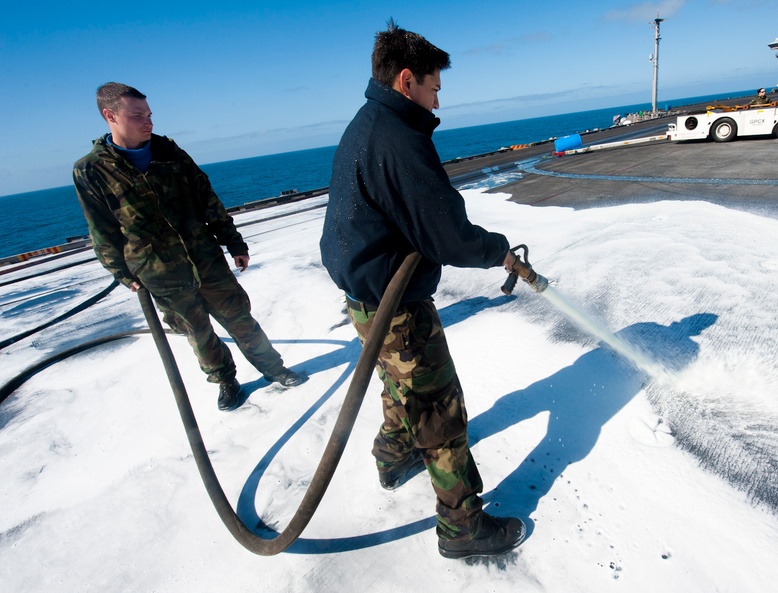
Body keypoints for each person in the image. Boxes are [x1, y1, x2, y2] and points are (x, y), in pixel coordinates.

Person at [318, 22, 526, 559]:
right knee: (438, 409)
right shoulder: (399, 139)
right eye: (435, 89)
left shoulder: (367, 122)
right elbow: (448, 235)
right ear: (407, 80)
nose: (438, 102)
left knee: (398, 379)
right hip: (396, 302)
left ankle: (393, 456)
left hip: (368, 298)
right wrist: (497, 249)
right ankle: (462, 528)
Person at [74, 82, 305, 411]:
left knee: (239, 318)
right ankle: (225, 380)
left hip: (205, 258)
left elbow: (206, 198)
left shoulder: (169, 151)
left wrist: (233, 241)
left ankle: (273, 368)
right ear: (110, 116)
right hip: (158, 271)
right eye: (137, 115)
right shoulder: (91, 170)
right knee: (197, 332)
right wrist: (123, 274)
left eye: (149, 114)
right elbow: (102, 228)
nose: (148, 122)